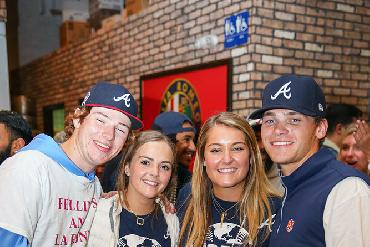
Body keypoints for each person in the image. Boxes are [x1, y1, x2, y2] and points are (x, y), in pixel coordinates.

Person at [0, 81, 143, 246]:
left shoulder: (93, 185)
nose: (109, 135)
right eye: (101, 120)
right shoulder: (29, 168)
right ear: (78, 119)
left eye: (121, 129)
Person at [248, 74, 370, 247]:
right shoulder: (287, 187)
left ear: (320, 129)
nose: (279, 130)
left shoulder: (347, 190)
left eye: (294, 120)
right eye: (270, 120)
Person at [177, 112, 280, 246]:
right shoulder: (187, 198)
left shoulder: (275, 210)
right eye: (215, 150)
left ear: (251, 156)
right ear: (203, 158)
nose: (227, 159)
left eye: (237, 148)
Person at [88, 130, 179, 246]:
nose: (155, 172)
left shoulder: (172, 220)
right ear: (127, 167)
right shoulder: (97, 214)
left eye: (165, 167)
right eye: (145, 162)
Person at [152, 111, 196, 200]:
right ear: (168, 141)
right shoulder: (137, 174)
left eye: (193, 141)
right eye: (186, 139)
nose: (193, 148)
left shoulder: (188, 180)